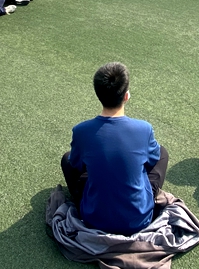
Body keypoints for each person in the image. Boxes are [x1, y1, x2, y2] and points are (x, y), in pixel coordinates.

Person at [60, 62, 169, 235]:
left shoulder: (81, 131)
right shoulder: (144, 129)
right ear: (126, 96)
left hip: (93, 219)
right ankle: (145, 197)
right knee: (162, 153)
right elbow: (152, 160)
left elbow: (76, 164)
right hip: (138, 220)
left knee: (67, 159)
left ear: (98, 94)